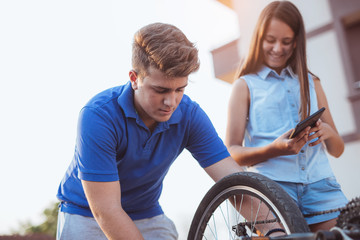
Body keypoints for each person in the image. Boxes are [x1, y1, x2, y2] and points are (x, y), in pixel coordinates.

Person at [56, 22, 243, 240]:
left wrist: (278, 228)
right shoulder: (98, 116)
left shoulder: (190, 115)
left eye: (179, 89)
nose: (171, 102)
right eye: (160, 90)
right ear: (135, 79)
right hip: (85, 211)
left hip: (145, 212)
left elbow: (235, 181)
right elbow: (106, 210)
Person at [225, 1, 348, 232]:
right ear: (259, 38)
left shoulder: (313, 83)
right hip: (273, 190)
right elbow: (232, 151)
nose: (277, 48)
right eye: (270, 40)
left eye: (286, 41)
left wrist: (328, 132)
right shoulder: (245, 86)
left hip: (322, 188)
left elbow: (337, 149)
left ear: (296, 42)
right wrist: (275, 149)